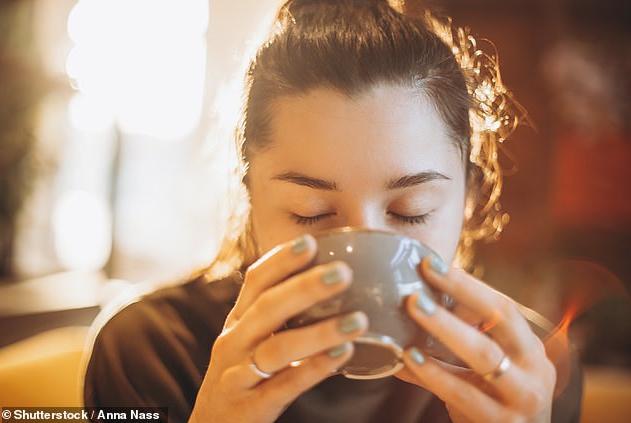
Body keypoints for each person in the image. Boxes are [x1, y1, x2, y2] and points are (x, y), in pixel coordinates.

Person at [82, 1, 582, 422]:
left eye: (411, 212)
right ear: (250, 198)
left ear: (470, 198)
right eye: (311, 212)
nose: (360, 257)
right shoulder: (149, 353)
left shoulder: (533, 370)